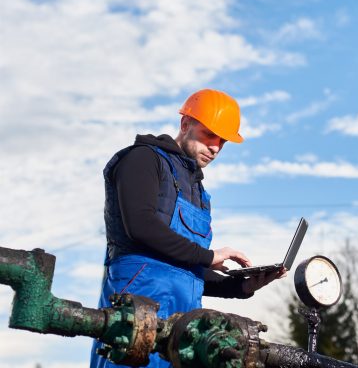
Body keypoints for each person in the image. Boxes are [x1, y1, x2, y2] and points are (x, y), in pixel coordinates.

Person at [90, 89, 284, 368]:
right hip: (136, 315)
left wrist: (240, 285)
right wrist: (208, 256)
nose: (216, 147)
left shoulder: (198, 191)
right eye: (209, 134)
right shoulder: (142, 160)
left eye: (223, 141)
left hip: (185, 327)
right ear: (185, 125)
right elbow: (141, 226)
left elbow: (185, 271)